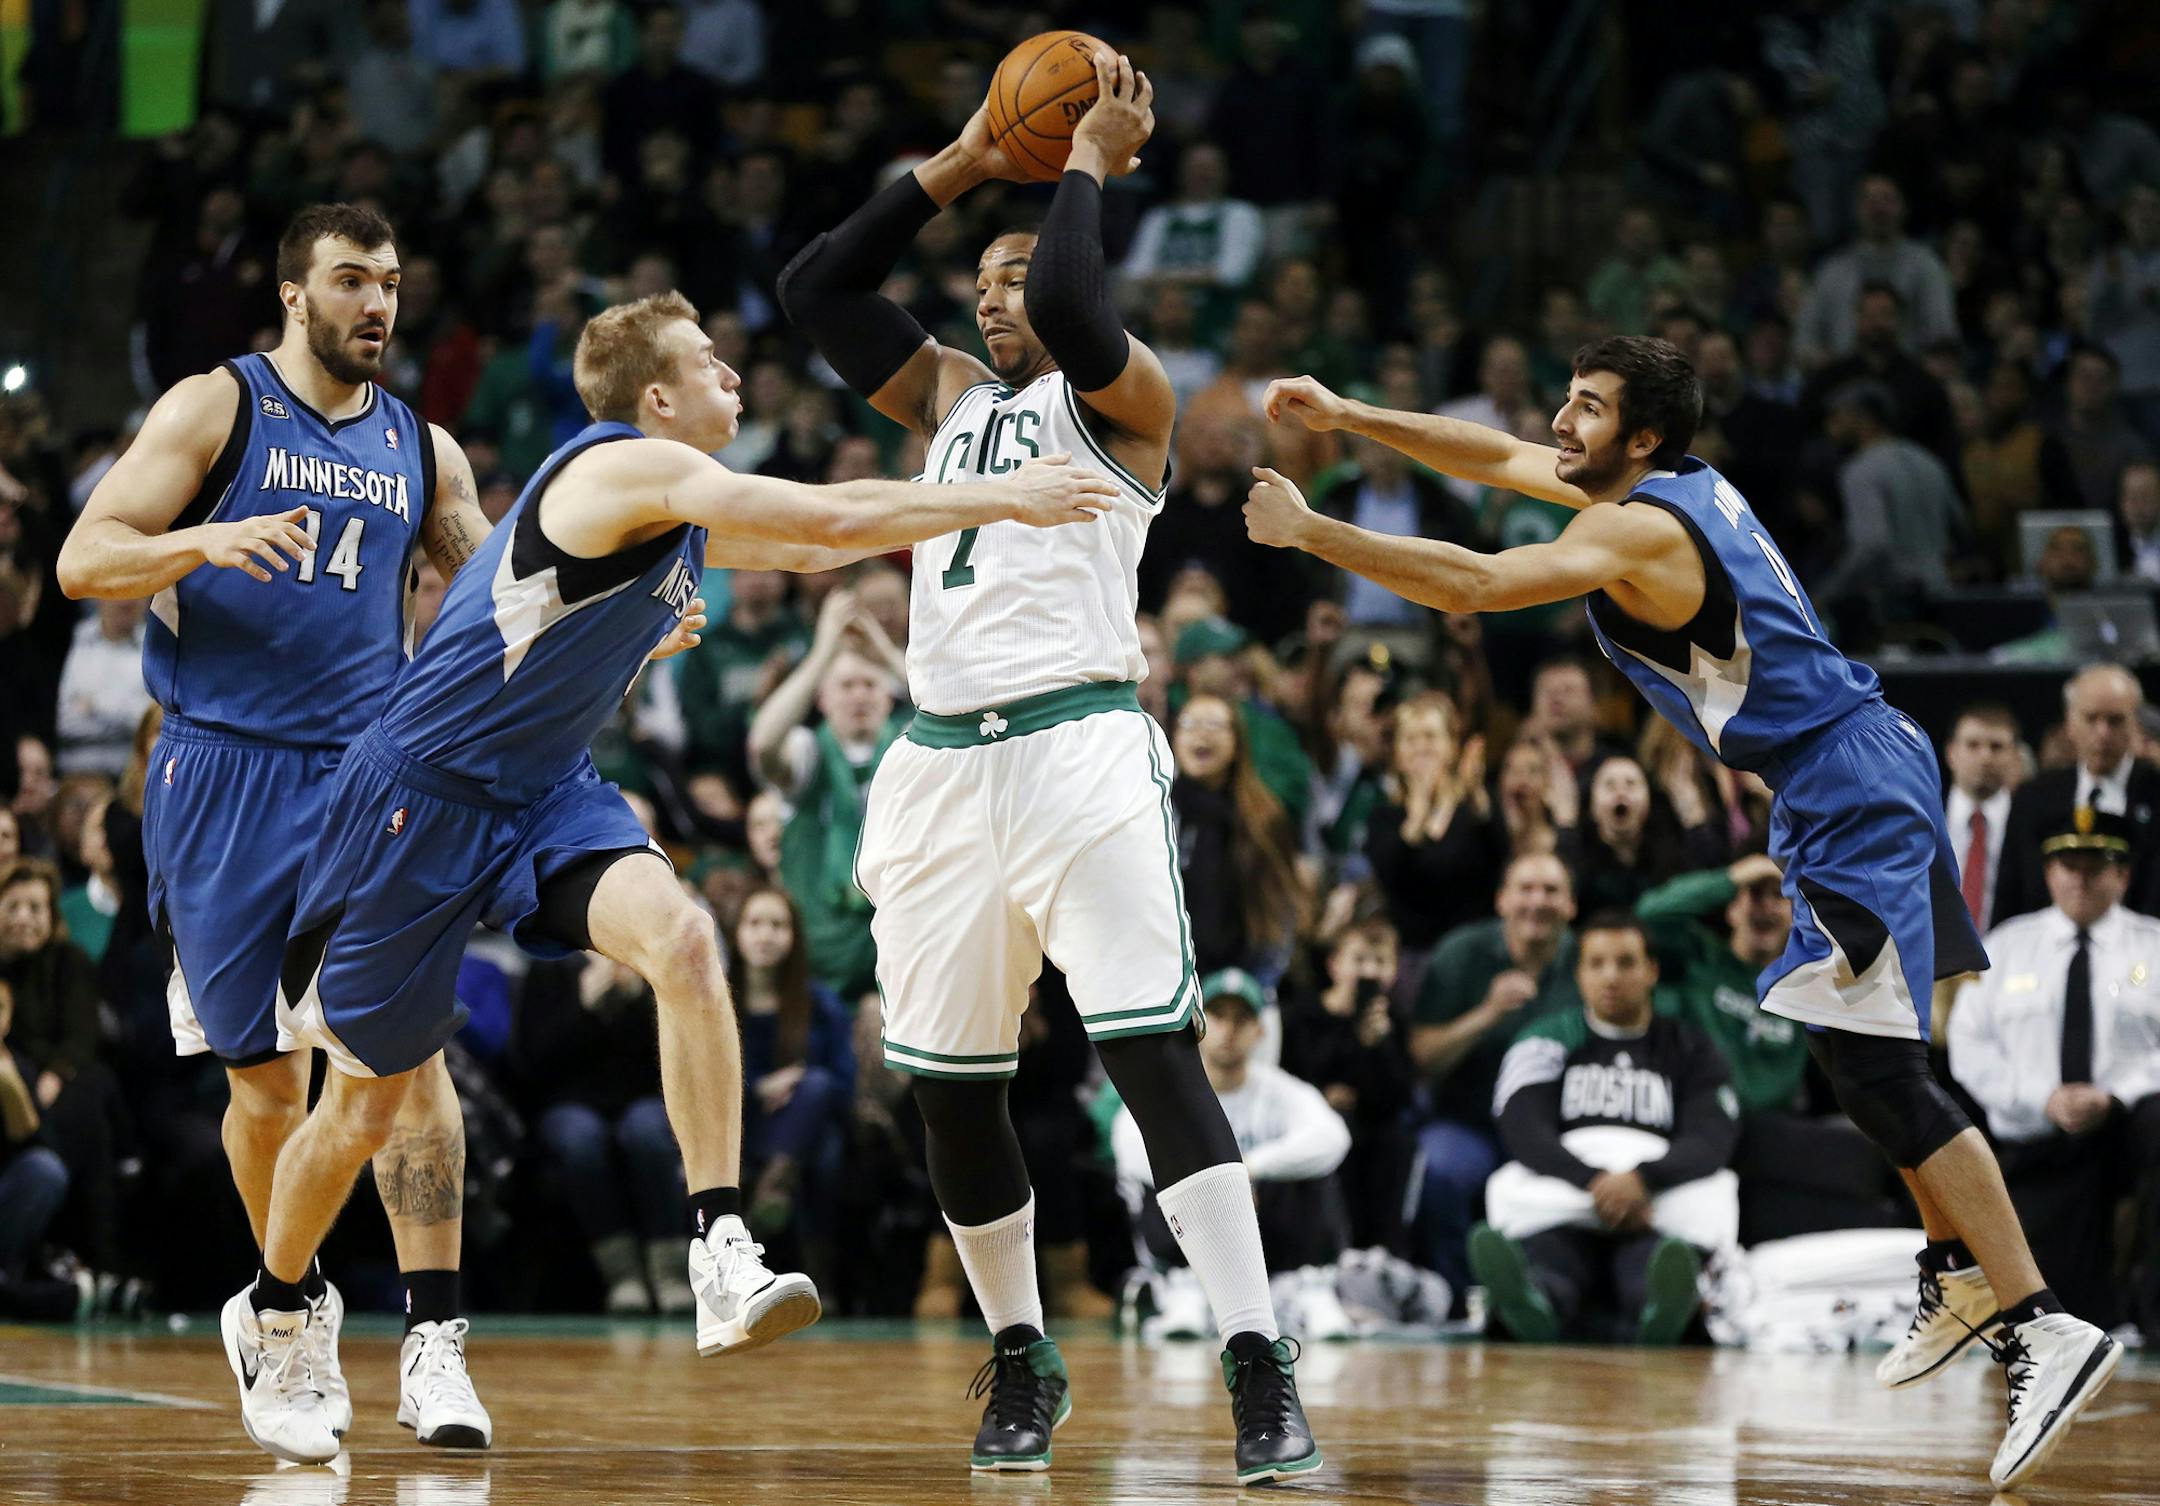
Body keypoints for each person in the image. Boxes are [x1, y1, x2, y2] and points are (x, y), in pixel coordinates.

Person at [225, 290, 1112, 1466]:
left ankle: (718, 1244)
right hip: (413, 803)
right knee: (363, 1111)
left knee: (687, 939)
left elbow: (804, 544)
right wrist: (1005, 492)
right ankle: (277, 1307)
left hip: (542, 792)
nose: (738, 381)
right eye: (712, 365)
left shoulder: (668, 511)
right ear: (655, 400)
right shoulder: (616, 472)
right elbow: (834, 514)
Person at [1247, 337, 2120, 1489]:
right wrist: (1352, 414)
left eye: (1588, 406)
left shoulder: (1635, 529)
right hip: (1833, 781)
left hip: (1846, 779)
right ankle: (1958, 1275)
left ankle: (2043, 1322)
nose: (1561, 420)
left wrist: (1316, 533)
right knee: (1860, 1063)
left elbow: (1476, 584)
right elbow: (1497, 453)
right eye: (1566, 396)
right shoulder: (1655, 487)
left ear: (1642, 435)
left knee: (1884, 1075)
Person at [778, 47, 1319, 1484]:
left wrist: (1083, 157)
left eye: (1017, 272)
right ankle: (1021, 1351)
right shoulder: (950, 394)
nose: (996, 293)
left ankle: (1255, 1358)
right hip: (943, 761)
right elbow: (816, 291)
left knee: (1150, 1053)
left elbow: (1082, 303)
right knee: (950, 1089)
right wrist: (961, 162)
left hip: (1081, 742)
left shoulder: (1127, 396)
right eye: (983, 279)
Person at [56, 205, 497, 1454]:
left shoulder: (425, 448)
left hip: (368, 778)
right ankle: (289, 1313)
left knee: (408, 1065)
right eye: (352, 280)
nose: (379, 305)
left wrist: (618, 617)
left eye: (394, 285)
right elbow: (84, 560)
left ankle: (434, 1341)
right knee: (264, 1080)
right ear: (295, 297)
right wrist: (207, 536)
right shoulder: (218, 408)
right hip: (219, 773)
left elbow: (499, 597)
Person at [1470, 912, 1738, 1345]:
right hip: (1568, 1198)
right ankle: (1528, 1301)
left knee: (1655, 1263)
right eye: (1596, 964)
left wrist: (1643, 1179)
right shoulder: (1547, 1037)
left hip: (1653, 1206)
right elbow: (1522, 1125)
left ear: (1651, 971)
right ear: (1579, 974)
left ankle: (1665, 1309)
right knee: (1552, 1263)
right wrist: (1594, 1181)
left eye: (1625, 963)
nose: (1610, 977)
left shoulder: (1692, 1047)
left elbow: (1711, 1136)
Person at [1949, 810, 2160, 1334]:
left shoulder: (2153, 946)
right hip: (2037, 1139)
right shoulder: (2006, 946)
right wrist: (2041, 1097)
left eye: (2097, 865)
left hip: (2126, 1135)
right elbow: (1968, 1043)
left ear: (2123, 874)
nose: (2082, 877)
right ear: (2049, 873)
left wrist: (2115, 1095)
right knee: (2050, 1314)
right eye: (2069, 864)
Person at [1113, 970, 1354, 1343]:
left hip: (1267, 1231)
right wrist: (1222, 1184)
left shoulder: (1281, 1090)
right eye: (1219, 1016)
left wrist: (1251, 1170)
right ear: (1198, 1025)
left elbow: (1333, 1138)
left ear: (1259, 1031)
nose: (1228, 1030)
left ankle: (1309, 1288)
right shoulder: (1169, 1091)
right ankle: (1184, 1288)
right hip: (1195, 1231)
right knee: (1156, 1178)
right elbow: (1128, 1148)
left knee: (1315, 1171)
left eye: (1241, 1019)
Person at [1409, 852, 1580, 1298]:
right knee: (1441, 1169)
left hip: (1556, 1131)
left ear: (1571, 905)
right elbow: (1422, 1058)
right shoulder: (1462, 952)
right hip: (1470, 1123)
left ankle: (1541, 1297)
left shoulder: (1589, 962)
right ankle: (1457, 1297)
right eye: (1525, 889)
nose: (1537, 902)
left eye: (1551, 891)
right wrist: (1486, 1014)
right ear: (1502, 900)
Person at [1996, 666, 2160, 923]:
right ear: (2070, 723)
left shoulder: (2154, 792)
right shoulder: (2034, 798)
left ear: (2136, 724)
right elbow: (2010, 896)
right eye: (2091, 718)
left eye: (2115, 720)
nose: (2103, 733)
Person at [1944, 705, 2024, 935]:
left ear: (2015, 756)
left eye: (1996, 747)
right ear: (1951, 753)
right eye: (1973, 745)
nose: (1985, 757)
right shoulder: (1923, 819)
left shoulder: (2030, 824)